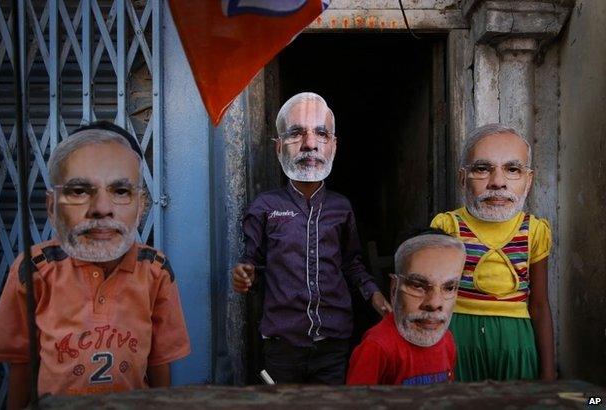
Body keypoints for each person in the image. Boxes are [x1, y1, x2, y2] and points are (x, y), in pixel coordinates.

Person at [0, 122, 191, 407]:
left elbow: (160, 362)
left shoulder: (155, 270)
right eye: (80, 191)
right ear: (53, 206)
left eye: (120, 191)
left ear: (141, 206)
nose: (102, 208)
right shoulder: (35, 269)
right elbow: (21, 364)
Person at [231, 92, 391, 384]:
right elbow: (250, 264)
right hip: (282, 344)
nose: (309, 144)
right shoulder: (264, 207)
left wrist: (376, 297)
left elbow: (351, 264)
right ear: (279, 147)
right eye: (296, 134)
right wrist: (243, 275)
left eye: (321, 133)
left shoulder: (341, 207)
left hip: (334, 342)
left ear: (333, 145)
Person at [430, 123, 555, 381]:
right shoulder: (447, 227)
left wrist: (548, 371)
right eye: (482, 169)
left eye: (512, 169)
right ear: (463, 178)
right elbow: (432, 297)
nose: (497, 182)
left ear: (528, 180)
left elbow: (540, 304)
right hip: (456, 339)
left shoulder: (535, 231)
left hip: (516, 343)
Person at [347, 231, 465, 385]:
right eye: (418, 286)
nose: (434, 303)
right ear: (394, 288)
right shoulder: (377, 347)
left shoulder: (447, 339)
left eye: (449, 288)